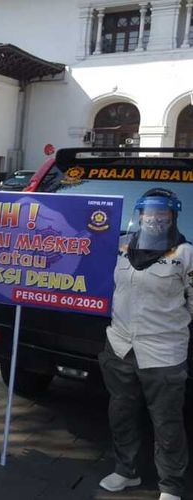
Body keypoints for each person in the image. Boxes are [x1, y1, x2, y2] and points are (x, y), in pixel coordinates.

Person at [98, 188, 191, 500]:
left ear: (172, 217)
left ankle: (171, 486)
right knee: (120, 413)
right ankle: (126, 471)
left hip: (163, 353)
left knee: (166, 422)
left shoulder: (185, 255)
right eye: (148, 214)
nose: (154, 220)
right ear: (139, 216)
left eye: (161, 214)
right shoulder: (122, 247)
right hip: (121, 346)